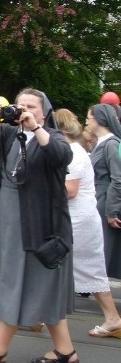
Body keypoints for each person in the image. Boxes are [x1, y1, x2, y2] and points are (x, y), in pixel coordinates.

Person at [0, 88, 77, 363]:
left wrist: (36, 127)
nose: (24, 110)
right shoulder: (7, 134)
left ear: (44, 112)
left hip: (41, 227)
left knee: (26, 284)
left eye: (31, 106)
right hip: (9, 223)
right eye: (20, 105)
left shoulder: (52, 136)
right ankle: (65, 352)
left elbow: (61, 157)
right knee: (38, 287)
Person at [56, 108, 121, 339]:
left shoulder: (74, 152)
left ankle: (113, 319)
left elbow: (71, 190)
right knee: (72, 267)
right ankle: (41, 316)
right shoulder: (76, 149)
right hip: (81, 215)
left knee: (83, 268)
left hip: (80, 218)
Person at [84, 103, 121, 281]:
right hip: (99, 198)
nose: (86, 122)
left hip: (105, 201)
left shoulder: (112, 144)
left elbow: (118, 178)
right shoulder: (102, 143)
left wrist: (111, 210)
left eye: (89, 117)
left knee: (105, 250)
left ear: (99, 120)